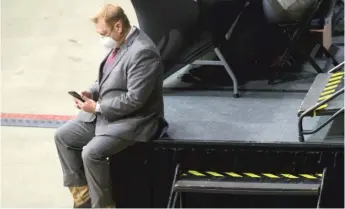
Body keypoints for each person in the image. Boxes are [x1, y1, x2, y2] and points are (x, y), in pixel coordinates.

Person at [54, 4, 167, 208]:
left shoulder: (143, 53)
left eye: (104, 33)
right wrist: (92, 92)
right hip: (108, 111)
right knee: (63, 137)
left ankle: (103, 204)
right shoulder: (119, 43)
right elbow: (109, 77)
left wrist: (97, 107)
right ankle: (83, 194)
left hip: (136, 119)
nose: (101, 39)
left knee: (92, 153)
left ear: (118, 26)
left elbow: (135, 99)